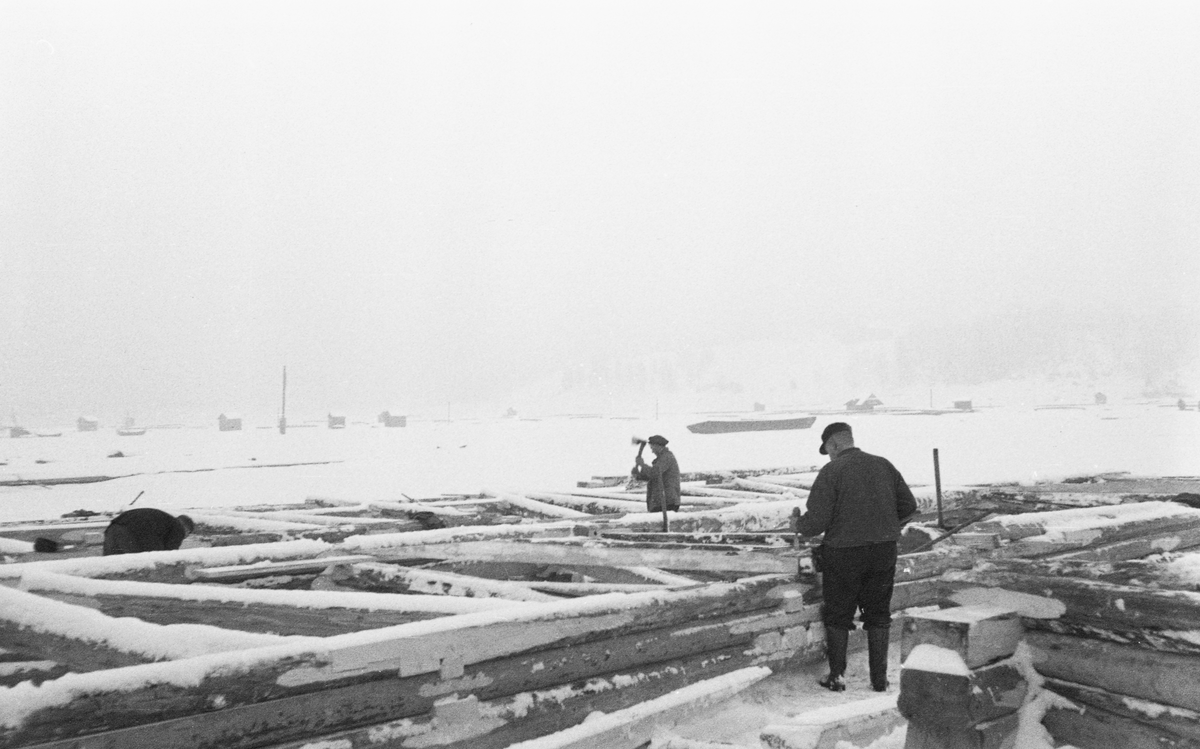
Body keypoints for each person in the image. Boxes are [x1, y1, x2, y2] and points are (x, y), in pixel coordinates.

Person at [794, 422, 917, 693]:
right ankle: (879, 680)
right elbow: (909, 506)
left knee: (838, 614)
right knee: (878, 612)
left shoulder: (832, 470)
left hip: (843, 553)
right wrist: (884, 525)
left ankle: (837, 677)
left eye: (827, 450)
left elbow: (817, 520)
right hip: (884, 551)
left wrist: (798, 526)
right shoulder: (884, 465)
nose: (828, 455)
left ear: (835, 445)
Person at [102, 508, 195, 555]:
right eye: (187, 534)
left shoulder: (164, 521)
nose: (184, 537)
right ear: (186, 529)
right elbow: (168, 556)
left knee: (111, 567)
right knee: (136, 567)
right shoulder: (178, 527)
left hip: (113, 528)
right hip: (130, 535)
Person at [632, 435, 681, 512]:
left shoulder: (667, 457)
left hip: (667, 502)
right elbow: (653, 477)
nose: (652, 451)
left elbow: (655, 473)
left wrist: (642, 464)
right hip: (661, 501)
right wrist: (638, 475)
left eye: (652, 448)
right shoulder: (662, 459)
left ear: (658, 446)